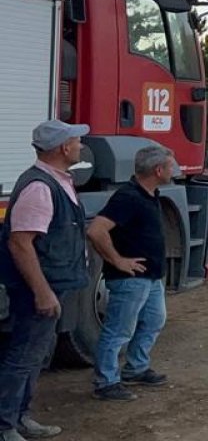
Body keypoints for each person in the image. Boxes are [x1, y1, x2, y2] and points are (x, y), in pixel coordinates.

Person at [0, 120, 92, 440]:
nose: (81, 145)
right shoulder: (40, 186)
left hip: (50, 283)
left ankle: (20, 417)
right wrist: (42, 291)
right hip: (37, 287)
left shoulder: (55, 180)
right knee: (23, 355)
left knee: (34, 355)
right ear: (64, 147)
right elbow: (20, 242)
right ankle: (6, 425)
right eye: (76, 140)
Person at [86, 145, 175, 402]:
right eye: (171, 166)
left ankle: (136, 368)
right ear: (158, 170)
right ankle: (106, 382)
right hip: (130, 279)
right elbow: (96, 231)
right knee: (118, 330)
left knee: (154, 320)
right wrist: (118, 261)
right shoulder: (128, 197)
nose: (174, 170)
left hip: (150, 276)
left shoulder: (148, 194)